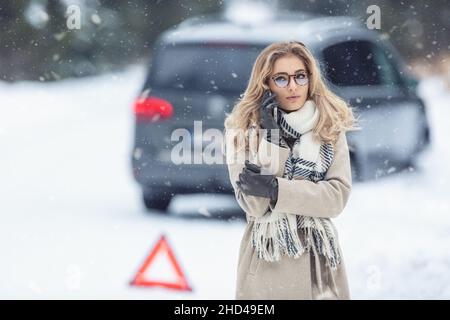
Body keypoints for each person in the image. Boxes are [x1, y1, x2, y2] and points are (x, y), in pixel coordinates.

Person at [223, 40, 359, 299]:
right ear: (266, 85)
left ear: (310, 79)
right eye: (282, 79)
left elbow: (336, 197)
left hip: (319, 265)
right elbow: (255, 206)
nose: (293, 86)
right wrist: (271, 139)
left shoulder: (329, 126)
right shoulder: (241, 132)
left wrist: (277, 189)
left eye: (300, 76)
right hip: (266, 264)